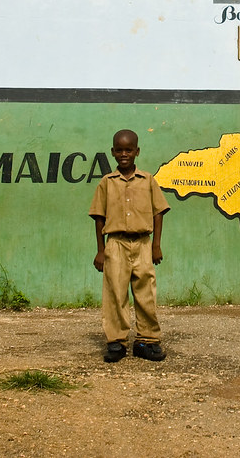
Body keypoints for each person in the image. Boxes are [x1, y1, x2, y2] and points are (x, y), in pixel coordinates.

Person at [90, 129, 170, 362]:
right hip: (115, 244)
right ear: (112, 152)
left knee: (146, 293)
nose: (124, 154)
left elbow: (158, 212)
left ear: (137, 151)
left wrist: (156, 245)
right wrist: (100, 250)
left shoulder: (148, 180)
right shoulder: (107, 183)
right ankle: (116, 342)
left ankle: (147, 341)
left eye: (129, 150)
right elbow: (99, 217)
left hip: (143, 243)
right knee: (115, 293)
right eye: (119, 150)